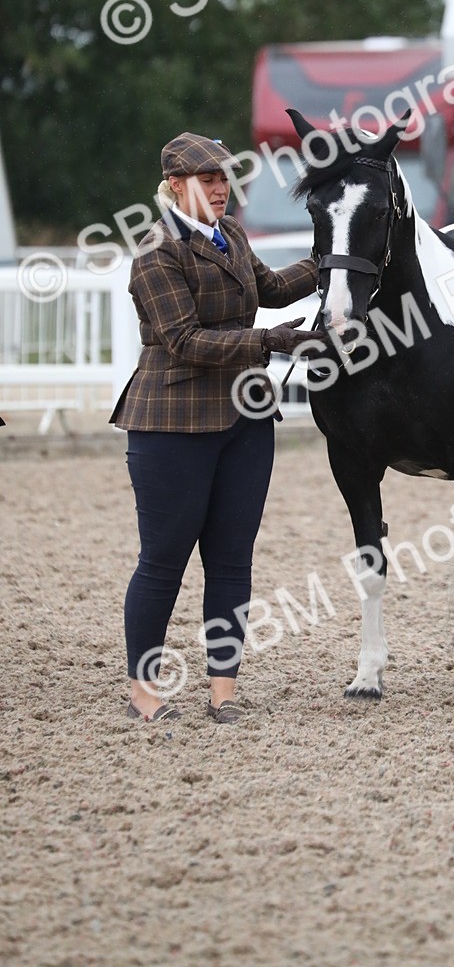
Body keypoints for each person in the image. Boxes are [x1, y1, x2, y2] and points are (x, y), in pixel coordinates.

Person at [110, 132, 319, 724]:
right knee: (164, 560)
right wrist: (271, 341)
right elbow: (184, 342)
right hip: (173, 424)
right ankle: (143, 690)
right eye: (208, 180)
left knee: (232, 559)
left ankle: (222, 689)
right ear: (175, 186)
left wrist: (330, 256)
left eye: (225, 178)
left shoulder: (233, 238)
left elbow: (273, 289)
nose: (221, 188)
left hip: (246, 420)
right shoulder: (156, 253)